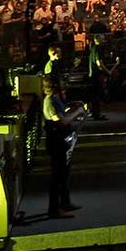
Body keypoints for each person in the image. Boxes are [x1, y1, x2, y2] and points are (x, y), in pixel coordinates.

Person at [42, 75, 84, 218]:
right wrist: (77, 112)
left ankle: (65, 203)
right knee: (57, 176)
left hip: (62, 141)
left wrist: (72, 107)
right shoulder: (49, 102)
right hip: (56, 143)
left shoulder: (55, 99)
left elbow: (64, 113)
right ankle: (54, 210)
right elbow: (62, 121)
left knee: (64, 174)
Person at [86, 35, 110, 121]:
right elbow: (99, 63)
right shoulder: (98, 49)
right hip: (96, 75)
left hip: (92, 74)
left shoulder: (93, 48)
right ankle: (96, 114)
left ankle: (94, 113)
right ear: (99, 40)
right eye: (103, 39)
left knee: (94, 95)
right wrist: (107, 72)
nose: (104, 40)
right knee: (97, 95)